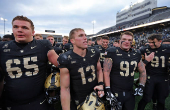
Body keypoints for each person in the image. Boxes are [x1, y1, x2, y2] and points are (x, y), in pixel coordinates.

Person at [0, 15, 59, 110]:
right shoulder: (2, 47)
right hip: (10, 101)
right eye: (16, 27)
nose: (19, 30)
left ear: (33, 32)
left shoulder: (43, 45)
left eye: (24, 27)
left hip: (38, 100)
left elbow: (61, 64)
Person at [58, 28, 104, 110]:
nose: (85, 38)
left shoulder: (95, 52)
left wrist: (100, 84)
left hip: (94, 95)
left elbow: (99, 70)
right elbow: (65, 88)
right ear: (72, 41)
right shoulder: (66, 58)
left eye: (85, 35)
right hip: (77, 99)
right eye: (80, 36)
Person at [103, 31, 146, 110]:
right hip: (115, 91)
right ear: (120, 41)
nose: (127, 42)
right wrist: (108, 90)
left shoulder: (136, 53)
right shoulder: (112, 52)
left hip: (129, 91)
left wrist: (141, 85)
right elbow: (106, 72)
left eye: (129, 40)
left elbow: (142, 71)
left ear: (132, 42)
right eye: (124, 39)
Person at [138, 34, 170, 110]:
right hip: (150, 76)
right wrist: (145, 60)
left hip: (163, 77)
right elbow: (137, 67)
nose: (151, 44)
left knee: (162, 99)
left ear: (160, 41)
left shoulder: (167, 48)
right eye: (149, 42)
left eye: (153, 42)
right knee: (146, 99)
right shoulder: (145, 50)